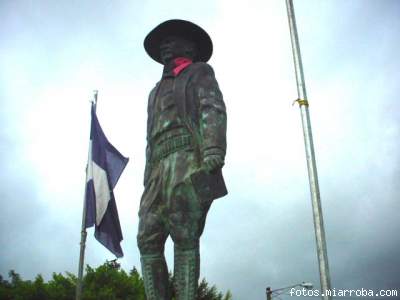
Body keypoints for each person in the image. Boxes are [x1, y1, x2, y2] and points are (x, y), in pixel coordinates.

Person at [137, 19, 227, 300]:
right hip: (158, 169)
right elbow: (150, 136)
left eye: (170, 39)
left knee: (184, 231)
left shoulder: (199, 73)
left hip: (186, 158)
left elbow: (212, 107)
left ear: (188, 46)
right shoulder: (154, 92)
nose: (164, 44)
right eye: (162, 42)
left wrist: (213, 149)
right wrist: (148, 173)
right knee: (147, 235)